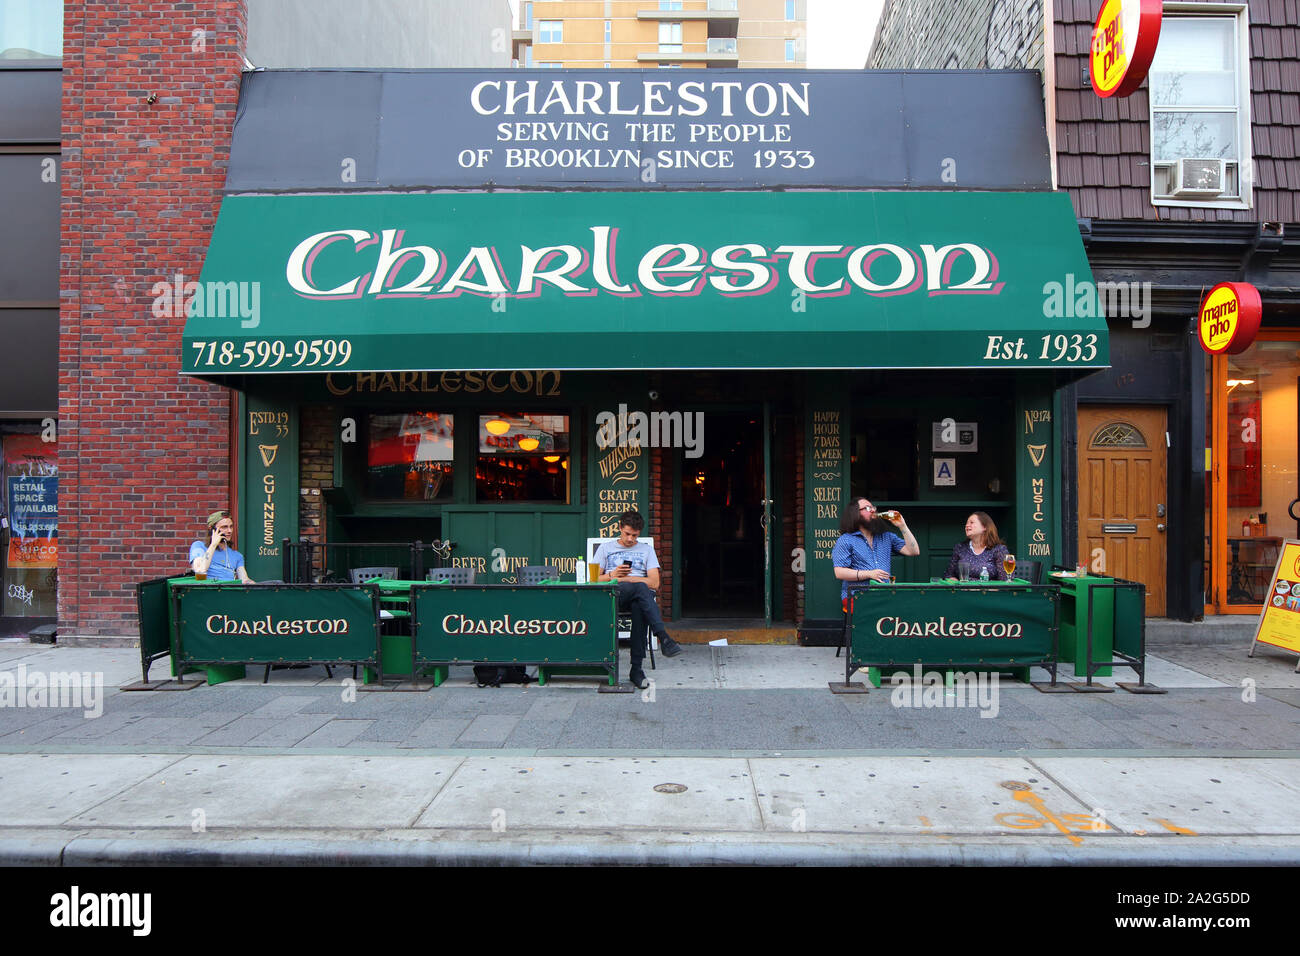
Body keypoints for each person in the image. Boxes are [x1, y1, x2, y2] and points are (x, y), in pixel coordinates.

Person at [593, 509, 682, 689]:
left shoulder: (646, 550)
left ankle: (636, 669)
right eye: (627, 534)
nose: (630, 539)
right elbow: (593, 579)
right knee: (642, 589)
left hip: (639, 597)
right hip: (614, 595)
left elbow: (655, 583)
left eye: (634, 535)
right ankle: (663, 636)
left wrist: (630, 579)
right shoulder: (605, 548)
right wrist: (613, 575)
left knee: (640, 605)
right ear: (619, 528)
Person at [832, 497, 920, 609]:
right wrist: (869, 574)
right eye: (867, 508)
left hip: (885, 596)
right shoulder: (846, 540)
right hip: (858, 598)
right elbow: (839, 572)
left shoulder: (886, 536)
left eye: (873, 507)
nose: (873, 510)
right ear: (855, 514)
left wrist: (902, 526)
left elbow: (913, 551)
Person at [189, 510, 255, 582]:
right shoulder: (199, 546)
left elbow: (244, 579)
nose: (229, 531)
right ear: (211, 529)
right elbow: (200, 570)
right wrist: (213, 545)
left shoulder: (237, 556)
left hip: (228, 588)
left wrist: (252, 583)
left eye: (231, 527)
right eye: (224, 527)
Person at [944, 511, 1008, 581]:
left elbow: (1005, 579)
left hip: (988, 588)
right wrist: (955, 582)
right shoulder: (960, 547)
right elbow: (948, 575)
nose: (967, 525)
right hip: (963, 587)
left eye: (971, 522)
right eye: (966, 523)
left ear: (984, 527)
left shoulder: (999, 549)